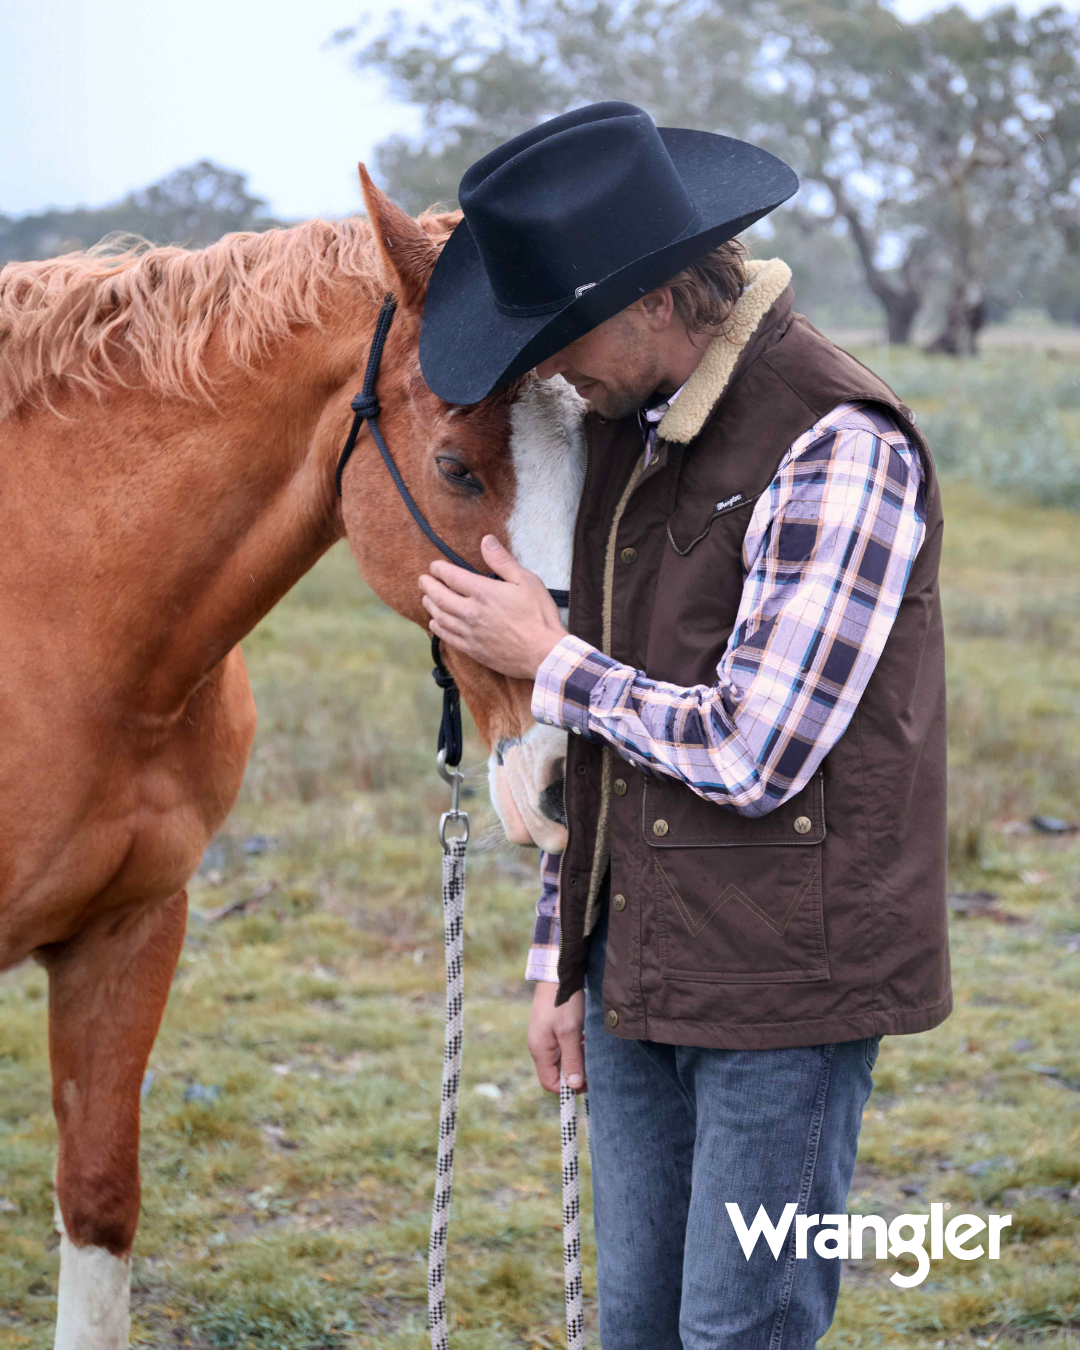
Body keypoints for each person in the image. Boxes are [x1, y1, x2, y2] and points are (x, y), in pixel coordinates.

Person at [416, 101, 950, 1349]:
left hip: (787, 991)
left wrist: (548, 660)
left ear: (657, 296)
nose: (548, 370)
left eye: (560, 336)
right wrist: (565, 955)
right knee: (639, 1333)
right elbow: (603, 748)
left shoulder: (837, 442)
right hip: (638, 970)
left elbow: (753, 750)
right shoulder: (624, 433)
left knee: (738, 1335)